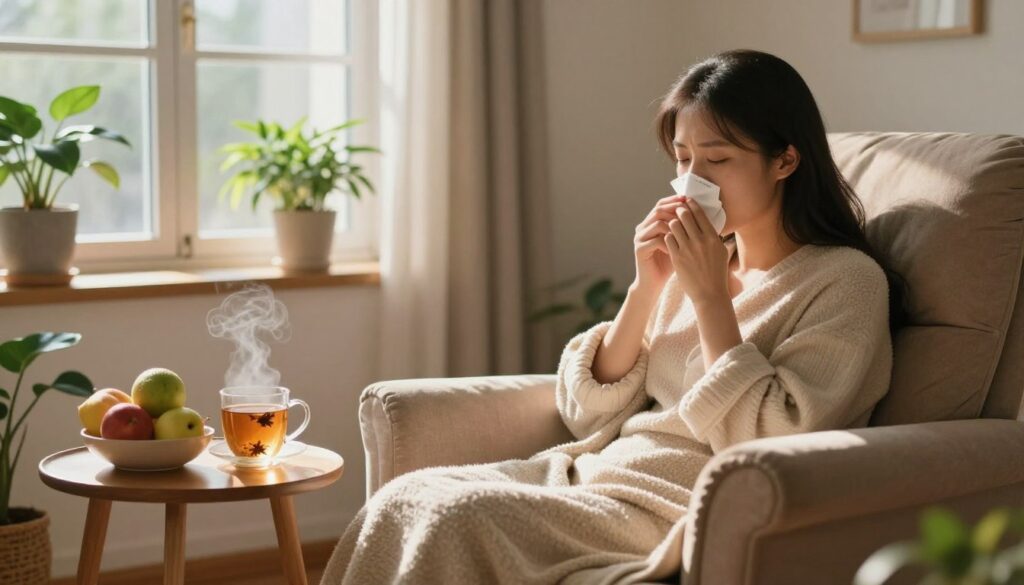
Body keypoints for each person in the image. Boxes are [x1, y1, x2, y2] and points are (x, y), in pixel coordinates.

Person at [320, 48, 905, 585]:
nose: (693, 181)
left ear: (785, 160)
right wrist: (647, 288)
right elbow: (585, 413)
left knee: (454, 517)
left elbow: (775, 441)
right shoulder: (698, 261)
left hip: (674, 506)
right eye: (683, 158)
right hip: (596, 474)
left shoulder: (845, 281)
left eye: (718, 159)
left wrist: (711, 301)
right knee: (405, 497)